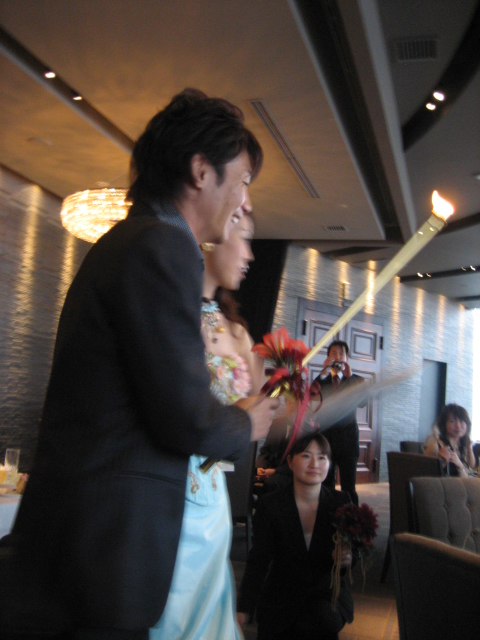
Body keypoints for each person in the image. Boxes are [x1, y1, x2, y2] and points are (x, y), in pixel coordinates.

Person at [1, 89, 279, 639]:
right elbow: (185, 417)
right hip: (103, 549)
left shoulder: (131, 241)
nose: (244, 201)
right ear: (201, 171)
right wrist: (245, 422)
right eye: (243, 179)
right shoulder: (163, 246)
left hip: (85, 538)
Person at [150, 212, 264, 639]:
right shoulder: (170, 312)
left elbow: (261, 412)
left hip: (212, 494)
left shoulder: (238, 335)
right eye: (244, 238)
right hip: (166, 486)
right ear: (212, 238)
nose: (250, 255)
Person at [237, 432, 354, 640]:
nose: (314, 464)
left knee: (320, 619)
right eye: (306, 456)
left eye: (322, 457)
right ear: (290, 462)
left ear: (329, 464)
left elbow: (354, 554)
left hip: (324, 594)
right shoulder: (271, 505)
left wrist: (348, 558)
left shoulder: (340, 503)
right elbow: (259, 560)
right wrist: (244, 609)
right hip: (282, 593)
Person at [313, 341, 363, 505]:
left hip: (348, 442)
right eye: (333, 353)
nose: (338, 357)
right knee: (326, 485)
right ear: (328, 357)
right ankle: (327, 517)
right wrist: (323, 373)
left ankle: (353, 518)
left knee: (349, 487)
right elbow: (311, 395)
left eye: (341, 354)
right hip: (326, 441)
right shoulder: (322, 379)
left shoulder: (355, 380)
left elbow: (363, 402)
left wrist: (349, 377)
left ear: (347, 358)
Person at [424, 403, 476, 477]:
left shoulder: (460, 445)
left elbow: (472, 467)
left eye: (461, 421)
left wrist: (469, 447)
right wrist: (442, 463)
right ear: (444, 424)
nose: (458, 426)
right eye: (452, 421)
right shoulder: (435, 447)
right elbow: (423, 477)